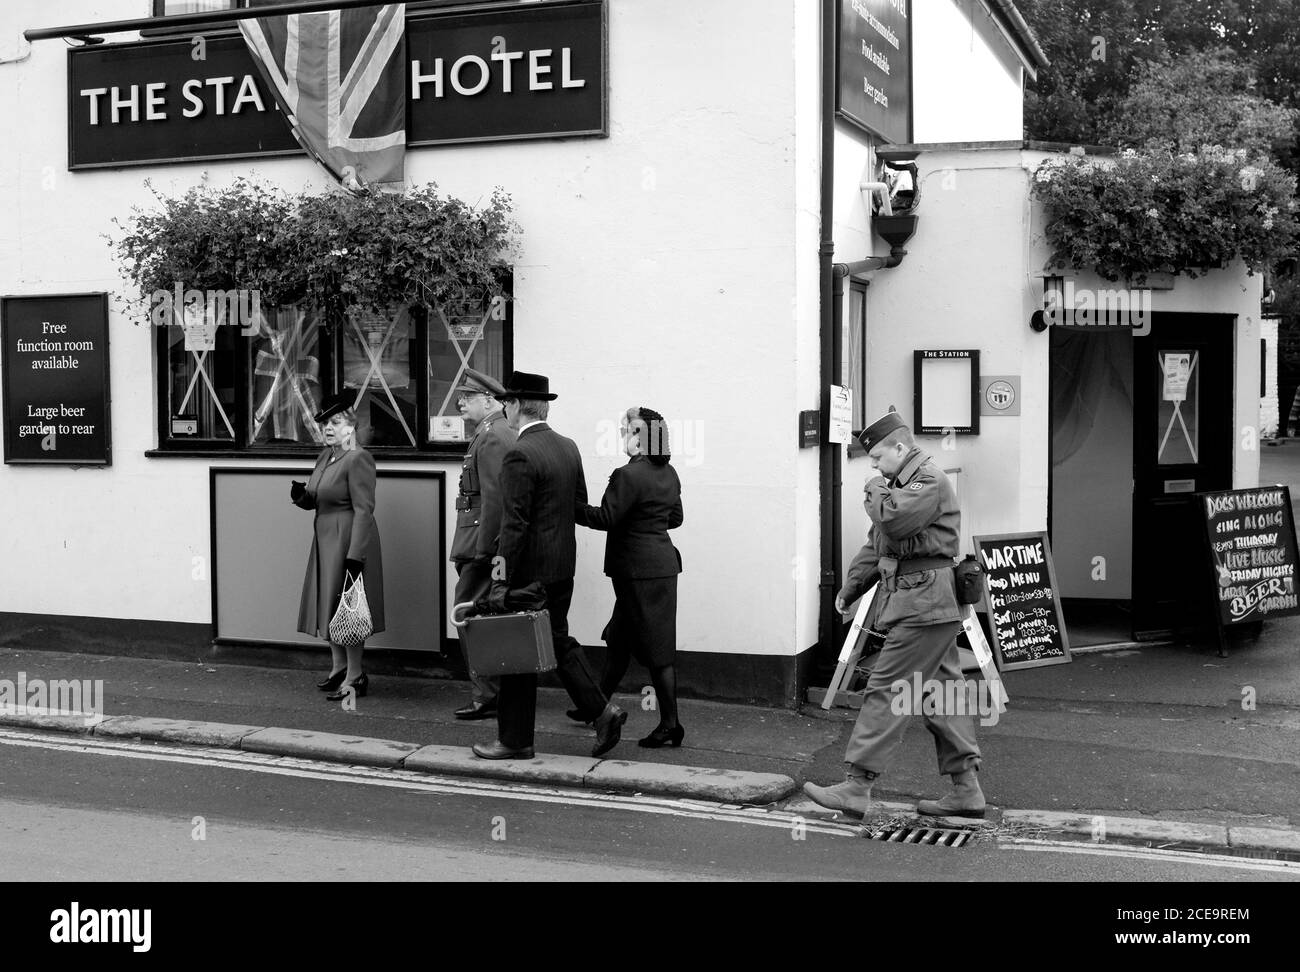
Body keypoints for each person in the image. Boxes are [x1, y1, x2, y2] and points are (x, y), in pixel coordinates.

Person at [803, 409, 985, 818]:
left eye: (878, 457)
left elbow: (894, 521)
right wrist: (850, 589)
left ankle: (857, 785)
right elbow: (878, 545)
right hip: (925, 604)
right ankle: (966, 790)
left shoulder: (927, 482)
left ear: (900, 448)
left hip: (925, 604)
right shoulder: (899, 485)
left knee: (887, 688)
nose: (873, 464)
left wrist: (872, 488)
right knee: (943, 694)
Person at [471, 371, 627, 761]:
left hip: (527, 574)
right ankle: (600, 711)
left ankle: (515, 740)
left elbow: (514, 525)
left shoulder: (519, 454)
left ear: (515, 406)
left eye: (505, 402)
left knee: (516, 652)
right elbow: (575, 506)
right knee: (555, 640)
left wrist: (499, 580)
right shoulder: (567, 447)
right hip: (561, 569)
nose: (504, 408)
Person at [576, 406, 685, 747]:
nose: (623, 434)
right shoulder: (668, 473)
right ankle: (594, 706)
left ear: (640, 437)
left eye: (627, 429)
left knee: (658, 652)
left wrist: (569, 505)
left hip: (639, 573)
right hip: (659, 566)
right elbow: (675, 518)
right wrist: (646, 525)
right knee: (619, 640)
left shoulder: (627, 475)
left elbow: (606, 518)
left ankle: (670, 725)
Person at [291, 392, 385, 702]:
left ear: (351, 425)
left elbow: (363, 510)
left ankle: (356, 675)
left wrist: (355, 555)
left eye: (335, 422)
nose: (328, 428)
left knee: (348, 607)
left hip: (347, 538)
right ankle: (338, 668)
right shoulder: (326, 456)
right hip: (325, 538)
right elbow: (318, 497)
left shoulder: (358, 458)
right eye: (324, 423)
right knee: (328, 603)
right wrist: (302, 497)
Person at [449, 367, 517, 720]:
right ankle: (492, 692)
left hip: (481, 542)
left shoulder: (493, 436)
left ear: (489, 400)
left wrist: (485, 550)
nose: (460, 402)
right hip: (478, 538)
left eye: (468, 397)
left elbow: (494, 498)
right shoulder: (491, 432)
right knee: (479, 614)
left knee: (467, 613)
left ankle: (486, 694)